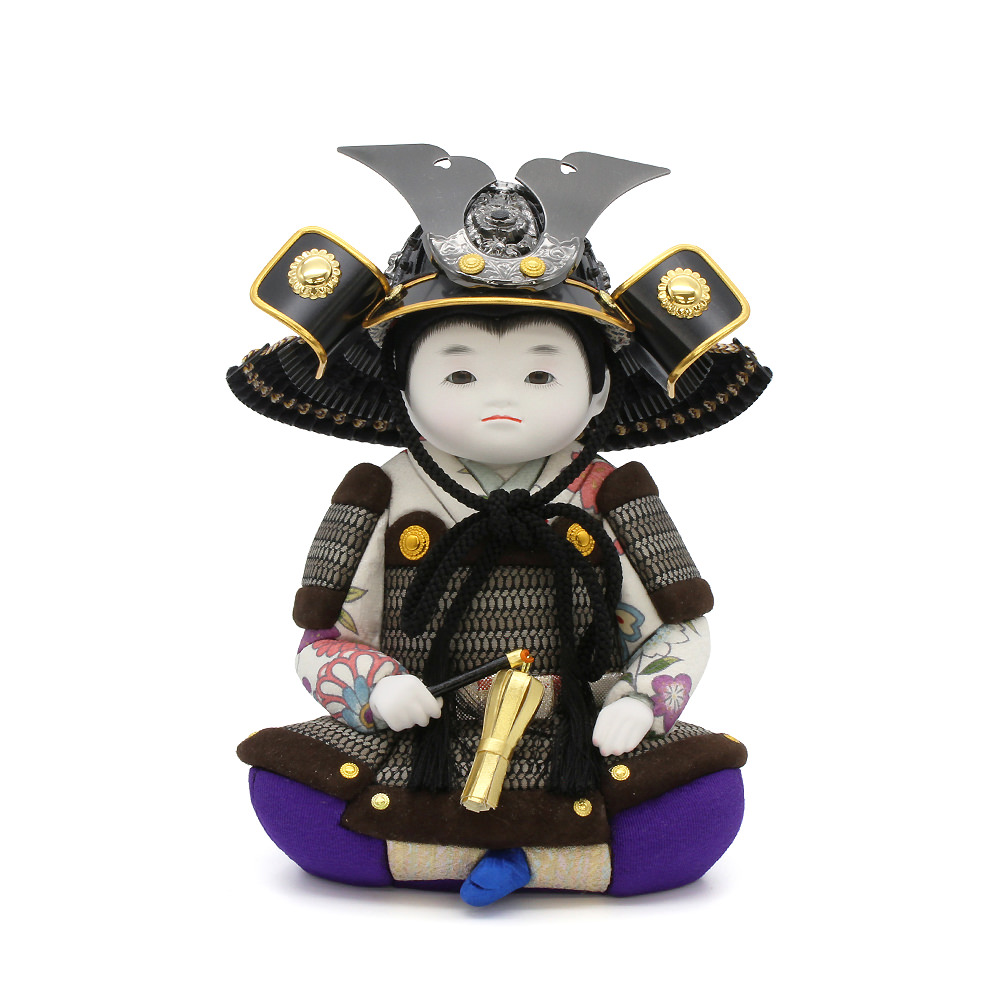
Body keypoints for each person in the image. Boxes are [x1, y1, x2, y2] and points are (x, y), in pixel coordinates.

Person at [230, 145, 770, 903]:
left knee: (704, 805)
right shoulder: (379, 492)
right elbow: (324, 636)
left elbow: (679, 625)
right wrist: (377, 691)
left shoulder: (613, 493)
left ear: (597, 389)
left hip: (577, 727)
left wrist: (641, 702)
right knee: (287, 790)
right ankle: (553, 861)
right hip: (424, 727)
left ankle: (449, 858)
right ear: (401, 386)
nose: (500, 399)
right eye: (459, 372)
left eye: (542, 372)